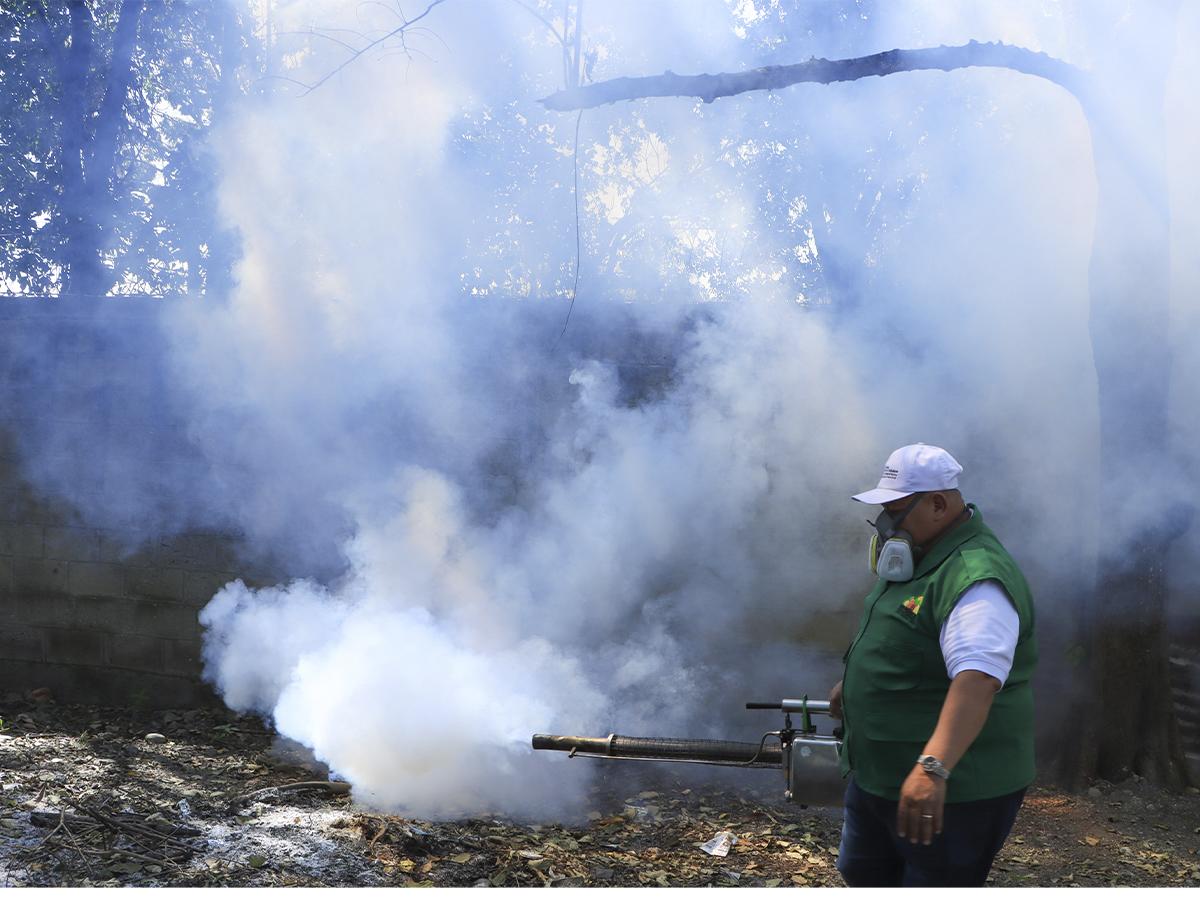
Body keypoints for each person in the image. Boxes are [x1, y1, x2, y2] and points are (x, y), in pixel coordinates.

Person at [829, 443, 1037, 887]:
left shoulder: (975, 575)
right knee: (863, 874)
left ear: (938, 504)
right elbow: (905, 640)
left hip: (950, 793)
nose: (885, 526)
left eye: (894, 512)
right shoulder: (921, 558)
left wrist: (932, 769)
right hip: (883, 777)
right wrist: (855, 686)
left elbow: (978, 678)